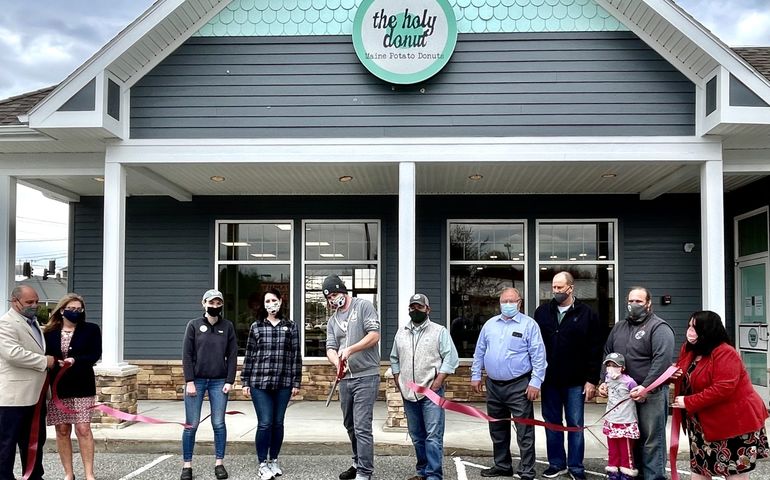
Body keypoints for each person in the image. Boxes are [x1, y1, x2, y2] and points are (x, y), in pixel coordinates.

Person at [671, 310, 769, 479]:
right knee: (700, 471)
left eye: (695, 327)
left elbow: (723, 388)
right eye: (689, 326)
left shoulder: (725, 352)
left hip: (733, 424)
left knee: (734, 473)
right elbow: (684, 373)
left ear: (708, 330)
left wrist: (688, 401)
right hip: (701, 425)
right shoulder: (689, 349)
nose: (690, 331)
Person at [598, 286, 675, 480]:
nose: (634, 305)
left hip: (650, 393)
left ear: (648, 303)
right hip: (623, 395)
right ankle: (635, 474)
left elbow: (662, 360)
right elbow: (607, 353)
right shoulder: (619, 327)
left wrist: (646, 386)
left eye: (639, 301)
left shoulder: (659, 328)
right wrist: (604, 380)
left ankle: (654, 477)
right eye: (631, 301)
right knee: (630, 438)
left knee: (651, 439)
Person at [471, 287, 547, 479]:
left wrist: (535, 382)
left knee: (524, 431)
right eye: (504, 301)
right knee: (497, 428)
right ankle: (502, 465)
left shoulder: (529, 325)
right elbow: (479, 351)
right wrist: (475, 375)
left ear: (519, 303)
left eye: (511, 301)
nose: (508, 305)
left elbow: (539, 356)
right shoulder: (490, 325)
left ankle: (527, 470)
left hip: (519, 386)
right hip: (494, 385)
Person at [534, 271, 602, 480]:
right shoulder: (542, 312)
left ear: (570, 288)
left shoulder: (587, 314)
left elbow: (595, 348)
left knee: (575, 425)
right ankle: (557, 464)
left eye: (559, 287)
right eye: (553, 287)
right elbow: (535, 347)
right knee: (552, 423)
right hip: (550, 381)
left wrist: (592, 380)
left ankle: (575, 467)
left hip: (575, 382)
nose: (555, 291)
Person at [390, 293, 459, 480]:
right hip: (408, 393)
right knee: (417, 436)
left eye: (419, 307)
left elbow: (451, 358)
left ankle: (434, 475)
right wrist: (398, 378)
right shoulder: (401, 332)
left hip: (431, 392)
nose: (415, 310)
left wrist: (438, 382)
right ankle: (422, 472)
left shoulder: (439, 331)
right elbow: (394, 358)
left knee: (433, 436)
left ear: (428, 309)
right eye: (412, 307)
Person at [323, 275, 381, 480]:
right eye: (329, 297)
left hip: (366, 376)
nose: (332, 299)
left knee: (362, 425)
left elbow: (374, 335)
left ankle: (365, 472)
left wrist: (350, 350)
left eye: (335, 294)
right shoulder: (332, 320)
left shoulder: (363, 307)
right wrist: (336, 361)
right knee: (350, 424)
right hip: (345, 379)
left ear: (343, 291)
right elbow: (330, 347)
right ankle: (357, 462)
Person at [241, 288, 302, 480]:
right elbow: (249, 355)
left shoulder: (290, 326)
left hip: (283, 383)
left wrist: (296, 381)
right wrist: (245, 381)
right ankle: (262, 463)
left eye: (274, 300)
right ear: (263, 304)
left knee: (278, 423)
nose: (271, 304)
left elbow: (295, 356)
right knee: (265, 423)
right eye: (267, 301)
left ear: (281, 301)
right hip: (259, 383)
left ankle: (273, 459)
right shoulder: (256, 327)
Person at [43, 293, 103, 480]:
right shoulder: (49, 333)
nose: (75, 312)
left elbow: (94, 354)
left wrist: (75, 360)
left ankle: (89, 473)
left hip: (82, 385)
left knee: (83, 429)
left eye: (79, 309)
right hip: (59, 387)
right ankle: (69, 473)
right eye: (71, 309)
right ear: (62, 310)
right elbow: (44, 355)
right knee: (62, 430)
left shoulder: (91, 330)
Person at [180, 289, 238, 480]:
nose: (214, 307)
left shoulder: (227, 326)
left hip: (219, 382)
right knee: (191, 425)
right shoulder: (194, 325)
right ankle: (187, 465)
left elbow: (232, 356)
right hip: (195, 381)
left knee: (218, 423)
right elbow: (187, 355)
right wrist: (189, 381)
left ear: (221, 305)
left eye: (218, 303)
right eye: (211, 303)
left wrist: (229, 381)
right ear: (203, 303)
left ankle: (219, 463)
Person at [0, 285, 54, 480]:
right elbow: (12, 354)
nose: (34, 305)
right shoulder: (6, 323)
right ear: (15, 302)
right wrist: (44, 361)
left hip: (36, 395)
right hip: (13, 398)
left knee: (34, 441)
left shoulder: (34, 323)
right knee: (7, 443)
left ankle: (33, 476)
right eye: (29, 302)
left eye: (36, 301)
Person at [602, 353, 639, 480]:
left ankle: (627, 473)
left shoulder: (629, 382)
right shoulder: (608, 378)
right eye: (608, 365)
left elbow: (639, 397)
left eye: (614, 365)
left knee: (625, 450)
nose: (611, 368)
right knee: (612, 449)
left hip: (626, 421)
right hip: (612, 419)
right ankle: (613, 471)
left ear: (622, 367)